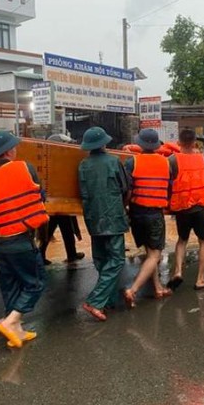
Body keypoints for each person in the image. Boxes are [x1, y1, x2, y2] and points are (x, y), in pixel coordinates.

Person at [0, 131, 48, 348]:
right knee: (35, 283)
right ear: (9, 151)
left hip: (0, 244)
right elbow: (40, 196)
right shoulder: (25, 168)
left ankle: (16, 330)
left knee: (10, 287)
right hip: (21, 240)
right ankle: (11, 322)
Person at [78, 127, 129, 321]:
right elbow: (125, 188)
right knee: (116, 260)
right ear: (104, 144)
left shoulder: (83, 165)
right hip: (113, 217)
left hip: (92, 218)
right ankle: (96, 300)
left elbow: (82, 192)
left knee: (101, 259)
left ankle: (109, 299)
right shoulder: (114, 161)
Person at [122, 129, 172, 308]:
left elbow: (127, 190)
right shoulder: (166, 163)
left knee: (150, 253)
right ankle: (132, 290)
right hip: (154, 214)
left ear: (140, 144)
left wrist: (126, 207)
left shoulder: (131, 162)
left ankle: (158, 288)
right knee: (155, 254)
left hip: (136, 213)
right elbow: (169, 189)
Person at [167, 128, 204, 291]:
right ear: (195, 143)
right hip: (201, 206)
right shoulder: (202, 159)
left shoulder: (172, 160)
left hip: (182, 207)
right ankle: (200, 279)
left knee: (182, 240)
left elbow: (167, 183)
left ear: (178, 142)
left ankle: (178, 271)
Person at [39, 134, 85, 265]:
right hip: (56, 202)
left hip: (57, 202)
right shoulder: (54, 161)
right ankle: (44, 254)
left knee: (62, 229)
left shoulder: (48, 159)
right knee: (55, 229)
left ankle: (70, 254)